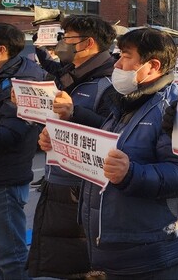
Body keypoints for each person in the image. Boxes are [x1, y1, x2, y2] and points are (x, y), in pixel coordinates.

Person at [39, 27, 178, 279]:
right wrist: (59, 143)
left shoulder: (175, 107)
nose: (117, 63)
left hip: (150, 249)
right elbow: (102, 149)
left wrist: (131, 173)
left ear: (152, 66)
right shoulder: (124, 100)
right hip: (113, 240)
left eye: (125, 56)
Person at [27, 15, 118, 279]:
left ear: (87, 43)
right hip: (56, 181)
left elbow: (117, 134)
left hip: (83, 192)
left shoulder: (109, 82)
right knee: (57, 263)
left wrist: (74, 113)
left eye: (66, 38)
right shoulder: (68, 74)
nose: (61, 44)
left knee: (80, 264)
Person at [0, 23, 46, 279]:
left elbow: (11, 134)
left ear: (0, 50)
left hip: (1, 179)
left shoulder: (24, 82)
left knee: (9, 254)